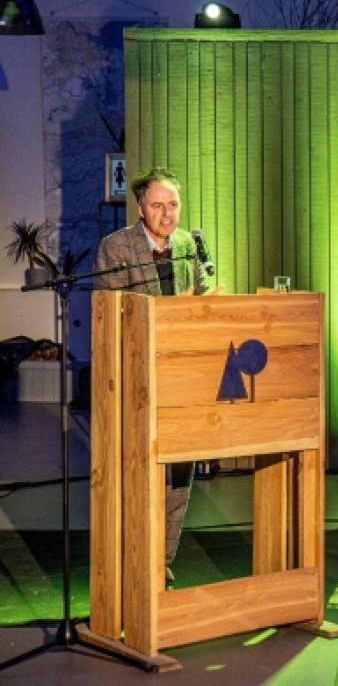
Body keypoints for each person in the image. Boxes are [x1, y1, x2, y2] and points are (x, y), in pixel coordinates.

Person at [94, 167, 211, 587]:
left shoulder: (187, 245)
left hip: (180, 377)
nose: (168, 214)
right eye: (158, 205)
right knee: (140, 475)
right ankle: (135, 557)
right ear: (141, 208)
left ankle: (162, 559)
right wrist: (172, 310)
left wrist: (205, 306)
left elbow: (199, 299)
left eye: (173, 205)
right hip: (136, 380)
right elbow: (114, 314)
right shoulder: (116, 248)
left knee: (180, 472)